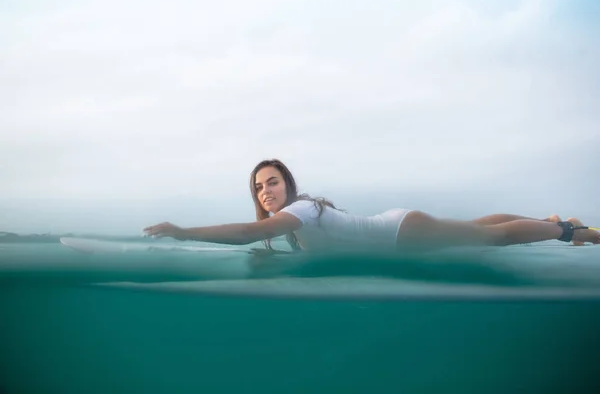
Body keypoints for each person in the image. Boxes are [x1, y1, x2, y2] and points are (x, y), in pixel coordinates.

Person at [143, 159, 600, 253]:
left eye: (273, 182)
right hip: (400, 229)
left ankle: (570, 231)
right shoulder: (291, 224)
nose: (265, 191)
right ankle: (553, 222)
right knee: (478, 228)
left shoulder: (299, 211)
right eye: (259, 187)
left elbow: (246, 232)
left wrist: (183, 231)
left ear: (288, 185)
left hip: (403, 232)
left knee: (491, 239)